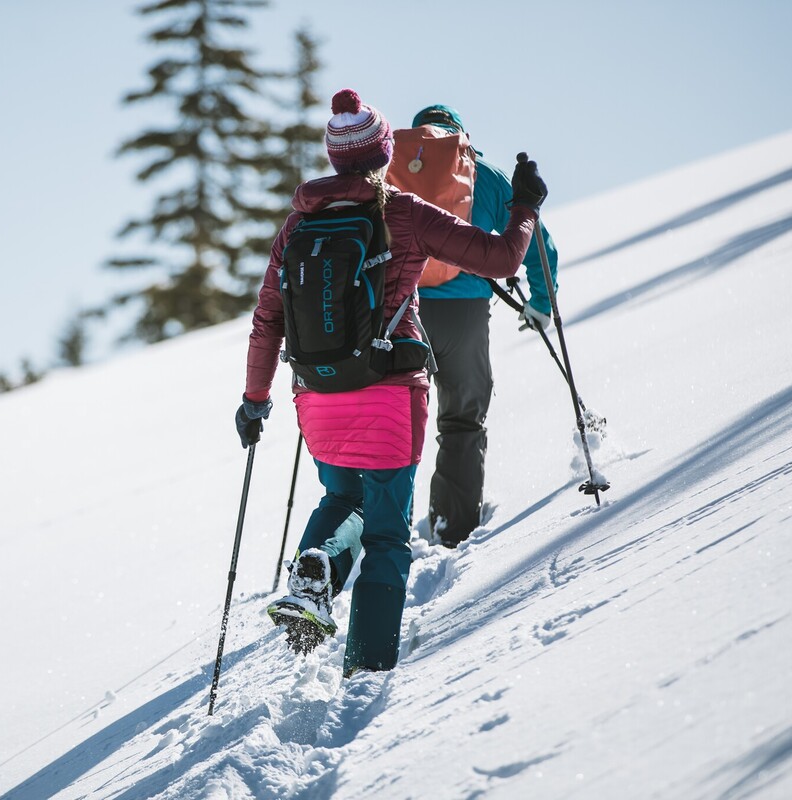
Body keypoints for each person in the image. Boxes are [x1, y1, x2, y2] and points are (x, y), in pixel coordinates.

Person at [235, 89, 548, 676]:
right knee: (385, 533)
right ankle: (366, 669)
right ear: (385, 152)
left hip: (317, 397)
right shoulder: (404, 212)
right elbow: (504, 259)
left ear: (333, 158)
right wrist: (525, 205)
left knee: (342, 496)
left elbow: (267, 318)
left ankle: (316, 566)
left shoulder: (300, 220)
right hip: (388, 392)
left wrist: (255, 401)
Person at [409, 104, 560, 548]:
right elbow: (535, 240)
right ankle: (451, 529)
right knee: (461, 420)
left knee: (391, 421)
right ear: (461, 136)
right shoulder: (486, 175)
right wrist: (540, 303)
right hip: (465, 317)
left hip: (403, 313)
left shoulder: (396, 175)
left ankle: (382, 531)